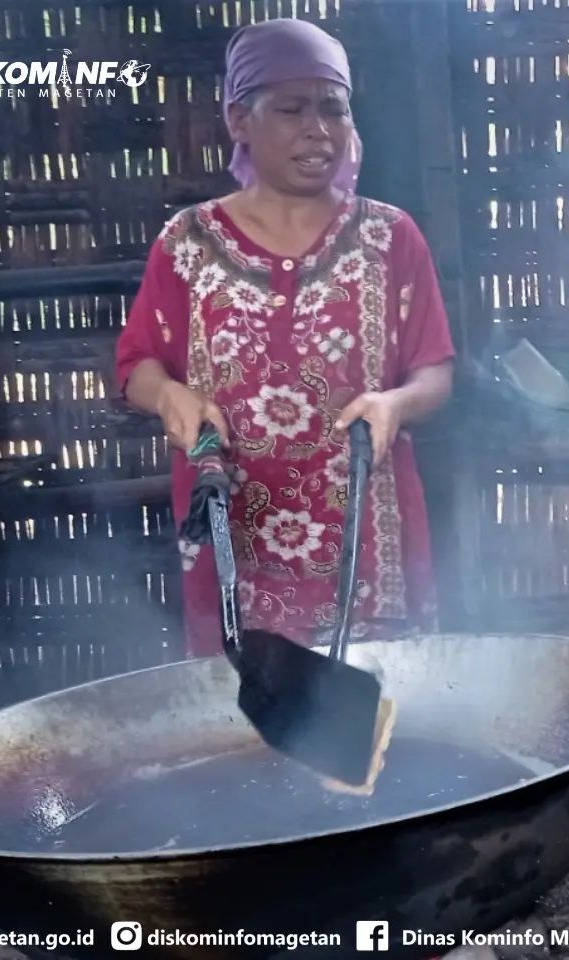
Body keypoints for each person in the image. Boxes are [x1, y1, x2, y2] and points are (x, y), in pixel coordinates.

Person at [115, 18, 455, 658]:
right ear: (239, 120)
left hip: (366, 537)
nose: (317, 129)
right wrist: (170, 397)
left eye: (334, 109)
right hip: (231, 531)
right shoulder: (188, 242)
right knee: (241, 707)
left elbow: (435, 371)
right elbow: (138, 363)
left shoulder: (389, 237)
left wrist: (395, 405)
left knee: (380, 701)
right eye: (292, 109)